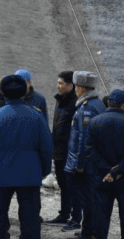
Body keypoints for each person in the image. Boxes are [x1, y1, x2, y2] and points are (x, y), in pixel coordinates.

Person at [0, 75, 53, 239]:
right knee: (30, 217)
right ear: (24, 92)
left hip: (1, 172)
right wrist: (45, 170)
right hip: (30, 171)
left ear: (3, 92)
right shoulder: (36, 115)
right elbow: (46, 147)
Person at [87, 89, 124, 239]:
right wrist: (116, 171)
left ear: (109, 103)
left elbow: (89, 151)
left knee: (101, 221)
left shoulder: (94, 122)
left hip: (102, 179)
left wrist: (108, 171)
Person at [63, 71, 106, 236]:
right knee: (91, 198)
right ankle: (90, 230)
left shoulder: (86, 109)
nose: (75, 90)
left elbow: (84, 139)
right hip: (93, 161)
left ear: (80, 89)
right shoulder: (98, 104)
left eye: (76, 87)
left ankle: (88, 232)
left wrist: (79, 164)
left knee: (87, 200)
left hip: (83, 163)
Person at [45, 71, 77, 226]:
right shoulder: (60, 100)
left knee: (69, 185)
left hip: (68, 153)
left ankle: (72, 216)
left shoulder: (75, 103)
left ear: (70, 86)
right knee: (63, 184)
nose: (57, 86)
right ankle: (64, 213)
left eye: (60, 83)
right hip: (58, 151)